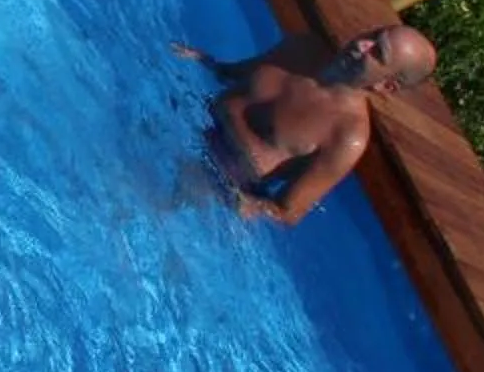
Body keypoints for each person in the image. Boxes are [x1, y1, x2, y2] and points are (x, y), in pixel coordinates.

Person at [175, 24, 438, 226]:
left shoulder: (347, 136)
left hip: (216, 174)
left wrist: (253, 206)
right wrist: (205, 61)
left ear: (386, 85)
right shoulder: (303, 49)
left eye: (377, 52)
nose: (362, 45)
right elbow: (232, 74)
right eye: (374, 34)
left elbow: (287, 211)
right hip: (190, 117)